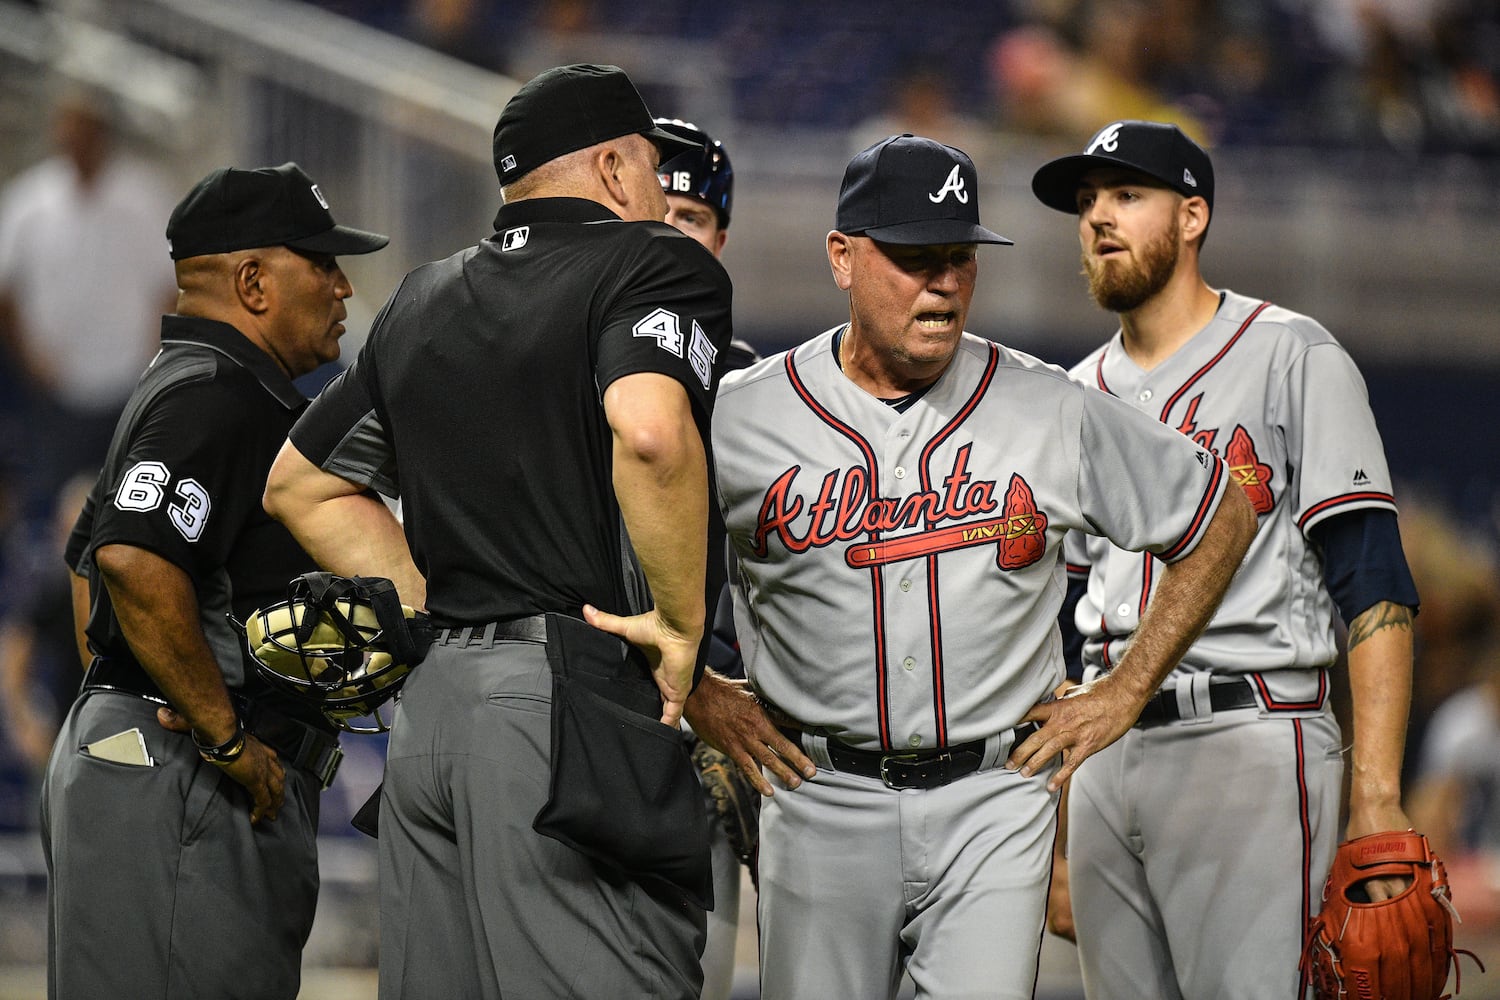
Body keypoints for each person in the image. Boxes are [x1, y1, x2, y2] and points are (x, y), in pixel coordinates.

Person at [708, 132, 1257, 1000]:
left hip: (994, 800)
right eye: (914, 257)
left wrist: (1126, 689)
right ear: (842, 259)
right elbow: (610, 547)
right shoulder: (742, 417)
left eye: (960, 256)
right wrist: (701, 689)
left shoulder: (1049, 409)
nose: (944, 281)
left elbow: (1219, 514)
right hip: (818, 798)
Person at [261, 64, 737, 998]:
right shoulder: (652, 261)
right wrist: (681, 628)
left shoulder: (422, 294)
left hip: (430, 716)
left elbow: (300, 486)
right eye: (647, 169)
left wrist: (434, 600)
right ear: (611, 167)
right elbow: (649, 435)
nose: (655, 193)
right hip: (563, 713)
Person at [1030, 119, 1422, 998]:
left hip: (1250, 733)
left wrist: (1377, 796)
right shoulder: (1075, 394)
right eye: (1087, 202)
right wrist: (1054, 825)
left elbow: (1374, 581)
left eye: (1128, 195)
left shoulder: (1292, 354)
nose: (1099, 217)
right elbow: (1066, 628)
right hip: (1104, 758)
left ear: (1193, 215)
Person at [39, 161, 386, 998]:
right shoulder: (214, 393)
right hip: (190, 775)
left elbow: (89, 561)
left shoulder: (200, 386)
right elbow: (126, 558)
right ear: (255, 280)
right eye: (321, 261)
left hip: (173, 767)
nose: (343, 286)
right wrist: (220, 732)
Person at [0, 87, 178, 517]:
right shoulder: (28, 201)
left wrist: (155, 354)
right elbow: (7, 292)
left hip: (130, 381)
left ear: (103, 133)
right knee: (58, 505)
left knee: (132, 505)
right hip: (59, 386)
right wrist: (31, 358)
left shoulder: (146, 197)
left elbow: (172, 285)